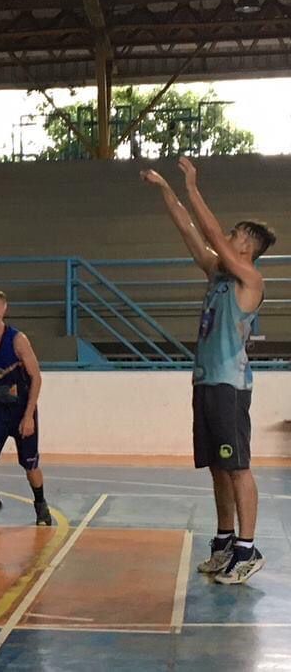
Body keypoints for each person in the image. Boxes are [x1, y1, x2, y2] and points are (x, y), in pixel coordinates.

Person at [143, 157, 275, 585]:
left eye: (235, 235)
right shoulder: (217, 272)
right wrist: (167, 189)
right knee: (218, 467)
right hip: (205, 381)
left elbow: (210, 231)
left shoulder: (250, 279)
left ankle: (248, 549)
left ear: (246, 247)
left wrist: (194, 187)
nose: (226, 238)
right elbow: (190, 231)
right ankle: (224, 541)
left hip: (229, 385)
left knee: (237, 466)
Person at [0, 290, 52, 527]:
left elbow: (36, 377)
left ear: (2, 309)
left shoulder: (18, 340)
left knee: (29, 464)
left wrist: (28, 416)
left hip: (20, 408)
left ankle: (40, 504)